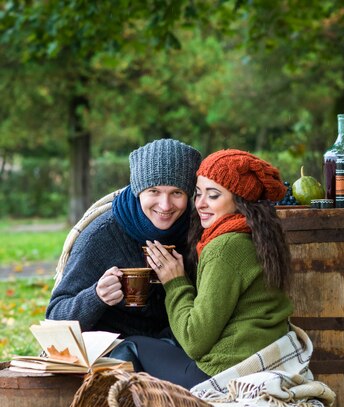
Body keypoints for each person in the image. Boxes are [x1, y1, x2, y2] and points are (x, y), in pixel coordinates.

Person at [111, 148, 293, 388]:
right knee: (165, 340)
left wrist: (174, 281)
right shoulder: (257, 234)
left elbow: (194, 340)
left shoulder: (225, 246)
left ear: (239, 199)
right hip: (257, 361)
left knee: (129, 346)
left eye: (214, 195)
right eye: (197, 194)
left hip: (224, 373)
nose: (201, 204)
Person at [46, 138, 202, 343]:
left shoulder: (197, 231)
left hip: (178, 349)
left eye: (176, 193)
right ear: (138, 191)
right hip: (113, 354)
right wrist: (95, 297)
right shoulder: (103, 234)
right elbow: (54, 318)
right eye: (154, 191)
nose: (165, 205)